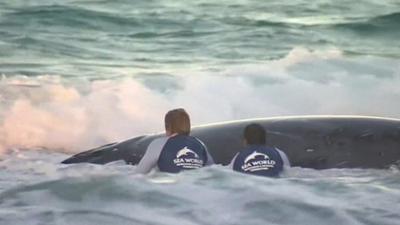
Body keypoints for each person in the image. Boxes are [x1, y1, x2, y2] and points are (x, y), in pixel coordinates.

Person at [136, 108, 214, 174]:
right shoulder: (200, 144)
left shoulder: (158, 144)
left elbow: (140, 173)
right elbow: (213, 171)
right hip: (196, 187)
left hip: (171, 187)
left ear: (168, 126)